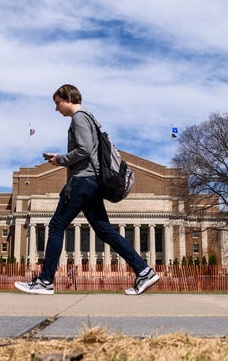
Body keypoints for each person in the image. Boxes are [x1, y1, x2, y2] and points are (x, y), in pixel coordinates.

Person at [14, 84, 159, 296]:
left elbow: (83, 149)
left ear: (69, 98)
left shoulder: (79, 118)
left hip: (81, 182)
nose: (56, 109)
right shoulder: (90, 118)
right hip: (91, 183)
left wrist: (60, 159)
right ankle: (144, 271)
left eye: (58, 103)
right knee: (105, 231)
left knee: (56, 226)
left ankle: (45, 281)